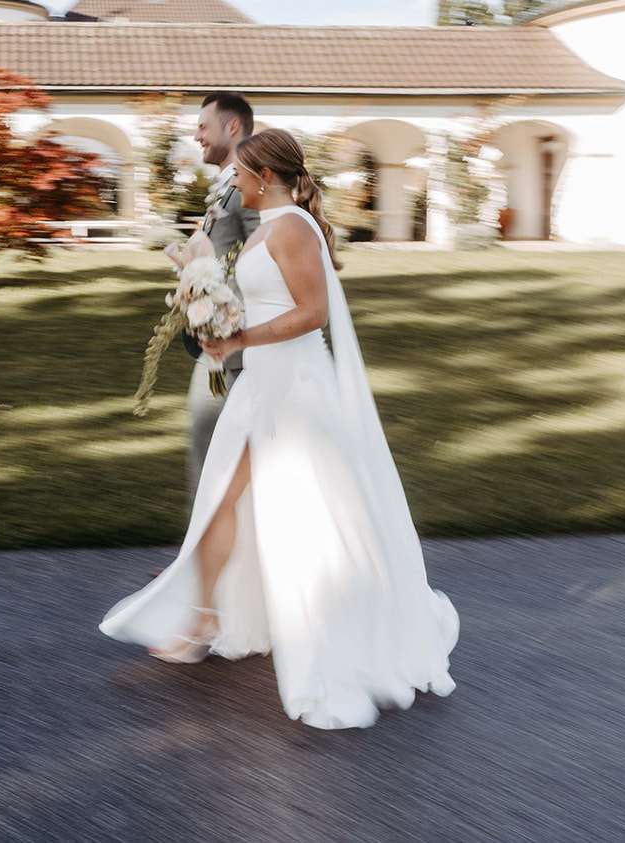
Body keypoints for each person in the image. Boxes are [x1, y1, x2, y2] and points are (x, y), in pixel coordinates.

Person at [101, 129, 459, 730]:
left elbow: (312, 312)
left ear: (264, 174)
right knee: (225, 502)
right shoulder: (269, 226)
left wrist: (238, 337)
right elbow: (263, 302)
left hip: (293, 389)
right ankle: (205, 619)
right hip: (262, 384)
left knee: (308, 511)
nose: (232, 181)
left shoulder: (292, 227)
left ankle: (308, 626)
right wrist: (201, 289)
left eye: (239, 172)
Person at [179, 93, 260, 501]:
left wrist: (232, 326)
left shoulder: (249, 187)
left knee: (211, 440)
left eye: (202, 126)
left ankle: (205, 561)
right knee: (210, 443)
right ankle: (207, 559)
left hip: (235, 347)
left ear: (232, 127)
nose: (196, 135)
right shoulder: (225, 184)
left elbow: (268, 256)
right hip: (218, 339)